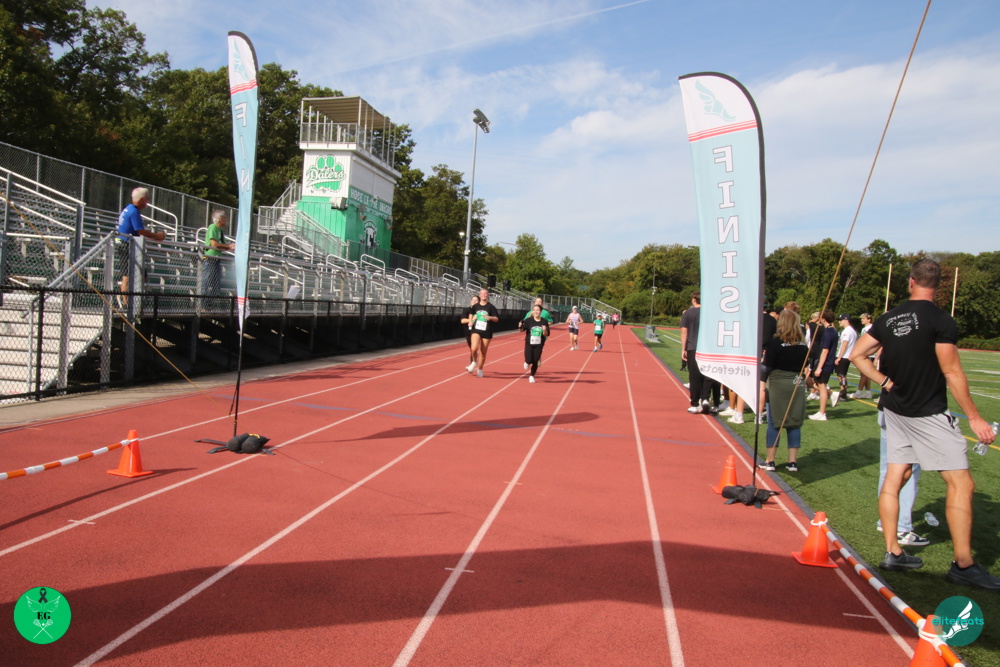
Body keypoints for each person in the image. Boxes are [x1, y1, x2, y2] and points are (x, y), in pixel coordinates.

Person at [851, 259, 999, 589]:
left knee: (896, 476)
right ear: (938, 285)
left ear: (911, 281)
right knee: (962, 484)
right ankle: (964, 565)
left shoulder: (888, 318)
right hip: (927, 412)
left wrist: (883, 381)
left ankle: (893, 552)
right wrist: (975, 417)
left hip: (895, 410)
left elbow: (857, 355)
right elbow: (952, 371)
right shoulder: (940, 319)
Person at [760, 310, 808, 472]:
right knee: (794, 422)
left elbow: (767, 367)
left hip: (778, 384)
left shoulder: (775, 343)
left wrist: (761, 383)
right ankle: (792, 462)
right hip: (796, 383)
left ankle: (770, 461)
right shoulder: (803, 345)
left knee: (774, 422)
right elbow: (806, 364)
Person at [116, 187, 166, 298]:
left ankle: (133, 300)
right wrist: (157, 236)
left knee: (140, 275)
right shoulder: (134, 211)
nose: (148, 201)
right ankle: (126, 302)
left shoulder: (128, 208)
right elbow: (140, 231)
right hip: (126, 244)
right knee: (127, 275)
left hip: (124, 243)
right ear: (142, 199)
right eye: (147, 199)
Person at [680, 291, 715, 414]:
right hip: (708, 347)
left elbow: (684, 332)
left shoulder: (688, 313)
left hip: (693, 347)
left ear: (694, 299)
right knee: (707, 374)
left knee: (694, 376)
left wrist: (683, 349)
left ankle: (695, 403)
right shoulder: (710, 313)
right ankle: (705, 398)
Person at [808, 310, 839, 421]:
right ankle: (831, 395)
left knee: (822, 387)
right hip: (827, 363)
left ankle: (822, 413)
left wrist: (819, 368)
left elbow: (825, 351)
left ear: (823, 319)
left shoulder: (828, 332)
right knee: (814, 383)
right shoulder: (833, 330)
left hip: (826, 363)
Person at [202, 211, 235, 297]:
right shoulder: (213, 227)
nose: (226, 220)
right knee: (206, 282)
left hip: (217, 259)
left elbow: (223, 245)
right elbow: (214, 244)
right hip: (210, 258)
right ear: (221, 219)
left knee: (216, 284)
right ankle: (203, 302)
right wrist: (229, 246)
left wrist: (231, 247)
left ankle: (210, 302)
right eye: (225, 218)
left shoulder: (220, 230)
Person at [468, 288, 499, 378]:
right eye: (482, 293)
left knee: (483, 352)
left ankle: (480, 369)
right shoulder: (475, 306)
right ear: (480, 295)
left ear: (488, 295)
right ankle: (474, 362)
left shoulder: (491, 307)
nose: (484, 295)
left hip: (487, 331)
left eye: (485, 293)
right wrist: (471, 321)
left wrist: (490, 317)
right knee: (474, 348)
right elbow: (471, 314)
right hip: (476, 329)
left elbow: (496, 319)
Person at [522, 304, 550, 383]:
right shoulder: (528, 320)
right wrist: (520, 326)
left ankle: (532, 376)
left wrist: (544, 330)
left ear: (540, 312)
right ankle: (527, 362)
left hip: (539, 344)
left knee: (536, 360)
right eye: (534, 310)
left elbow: (547, 334)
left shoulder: (544, 321)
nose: (536, 312)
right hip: (529, 343)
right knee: (529, 359)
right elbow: (522, 330)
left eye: (537, 310)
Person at [851, 313, 876, 399]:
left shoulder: (871, 328)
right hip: (867, 353)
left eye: (863, 318)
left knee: (864, 373)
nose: (862, 320)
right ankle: (868, 392)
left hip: (870, 354)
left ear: (869, 319)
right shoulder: (864, 329)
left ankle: (859, 391)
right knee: (866, 374)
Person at [834, 314, 858, 401]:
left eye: (841, 320)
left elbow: (845, 344)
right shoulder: (852, 331)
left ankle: (843, 393)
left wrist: (839, 357)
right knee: (842, 375)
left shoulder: (847, 331)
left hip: (844, 356)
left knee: (841, 375)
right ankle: (844, 391)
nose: (839, 322)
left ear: (846, 320)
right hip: (848, 355)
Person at [461, 294, 481, 370]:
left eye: (476, 300)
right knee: (472, 349)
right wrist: (471, 320)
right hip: (468, 332)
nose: (474, 301)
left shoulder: (480, 311)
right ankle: (474, 361)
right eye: (473, 300)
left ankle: (472, 365)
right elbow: (462, 320)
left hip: (477, 331)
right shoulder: (466, 310)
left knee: (473, 348)